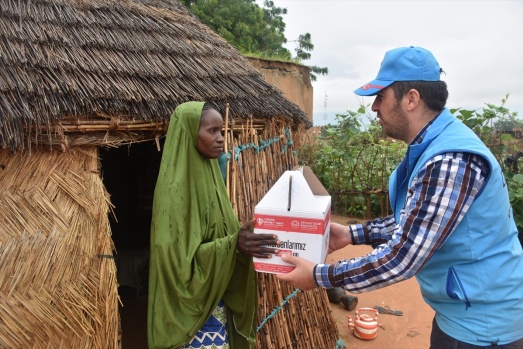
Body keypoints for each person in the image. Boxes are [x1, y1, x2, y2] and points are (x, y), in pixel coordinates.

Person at [276, 46, 523, 348]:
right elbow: (417, 221)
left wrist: (319, 276)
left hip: (484, 326)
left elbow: (402, 258)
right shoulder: (433, 146)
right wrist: (352, 233)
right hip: (461, 311)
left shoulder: (449, 160)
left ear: (411, 99)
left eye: (380, 97)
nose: (374, 108)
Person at [147, 101, 280, 349]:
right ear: (188, 133)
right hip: (190, 317)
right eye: (212, 131)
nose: (221, 139)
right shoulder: (173, 192)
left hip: (216, 302)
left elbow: (221, 232)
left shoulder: (211, 179)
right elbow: (174, 261)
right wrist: (232, 245)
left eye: (221, 131)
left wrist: (238, 241)